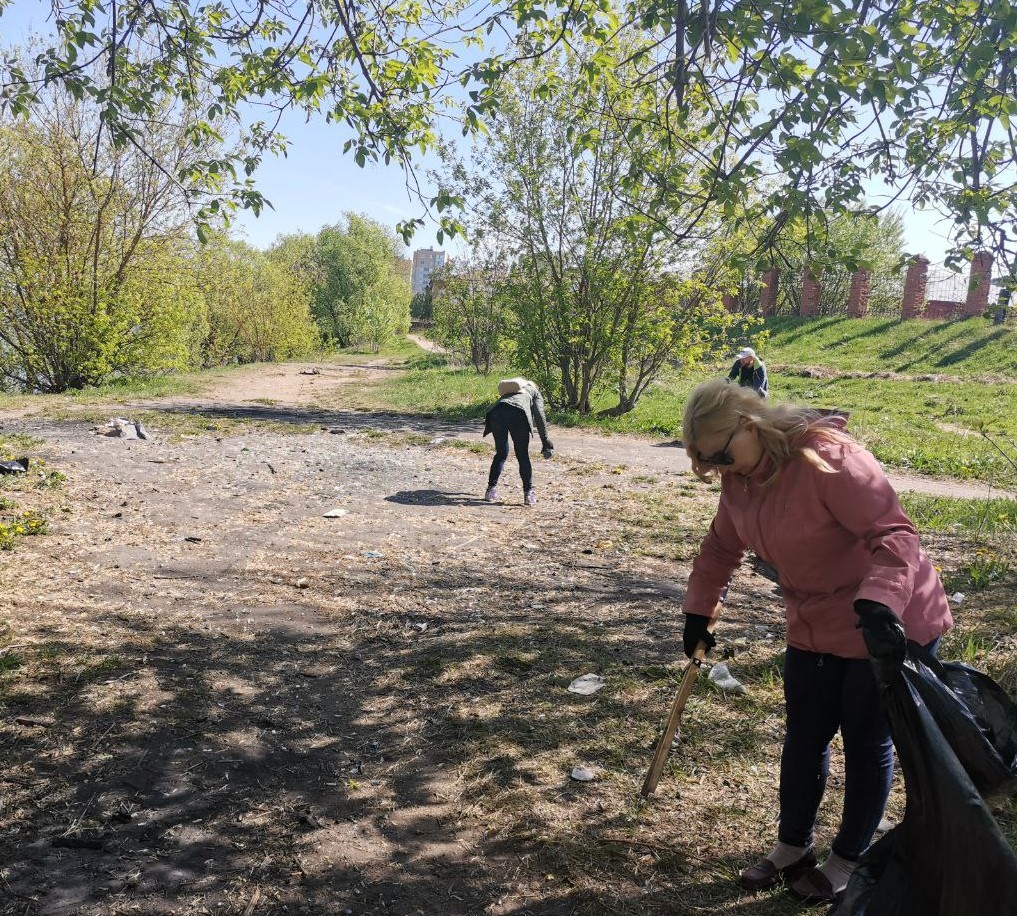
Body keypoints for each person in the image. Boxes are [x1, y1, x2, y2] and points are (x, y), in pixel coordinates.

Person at [679, 378, 952, 904]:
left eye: (720, 454)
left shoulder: (831, 460)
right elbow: (719, 549)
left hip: (888, 622)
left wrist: (879, 602)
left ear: (749, 426)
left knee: (867, 742)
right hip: (814, 619)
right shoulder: (742, 479)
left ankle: (848, 859)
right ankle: (792, 847)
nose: (717, 468)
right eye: (707, 461)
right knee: (804, 735)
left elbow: (896, 536)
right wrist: (699, 612)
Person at [482, 377, 554, 507]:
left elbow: (503, 405)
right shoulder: (534, 391)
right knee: (522, 455)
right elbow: (539, 415)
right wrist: (545, 439)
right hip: (518, 414)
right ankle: (528, 494)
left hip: (496, 413)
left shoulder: (510, 391)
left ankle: (490, 491)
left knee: (501, 454)